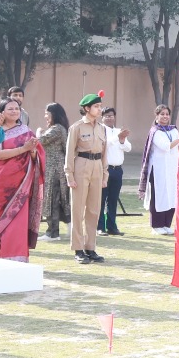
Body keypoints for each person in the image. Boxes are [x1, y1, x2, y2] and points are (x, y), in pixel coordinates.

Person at [0, 96, 43, 262]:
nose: (14, 111)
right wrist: (23, 149)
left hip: (21, 184)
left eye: (17, 108)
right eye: (10, 108)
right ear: (1, 112)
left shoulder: (26, 130)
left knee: (17, 221)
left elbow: (36, 156)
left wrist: (32, 150)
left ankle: (17, 258)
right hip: (0, 182)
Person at [70, 93, 110, 261]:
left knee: (94, 210)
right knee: (78, 209)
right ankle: (78, 249)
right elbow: (69, 153)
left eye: (100, 106)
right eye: (96, 107)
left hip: (97, 167)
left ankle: (90, 248)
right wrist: (69, 175)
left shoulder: (102, 128)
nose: (99, 109)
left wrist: (105, 174)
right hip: (81, 165)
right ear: (87, 108)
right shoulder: (77, 127)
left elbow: (104, 153)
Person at [137, 102, 178, 237]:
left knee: (171, 197)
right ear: (156, 116)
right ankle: (156, 226)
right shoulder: (156, 132)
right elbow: (166, 146)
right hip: (158, 171)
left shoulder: (174, 130)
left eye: (167, 114)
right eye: (162, 114)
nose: (165, 116)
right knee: (158, 197)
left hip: (172, 170)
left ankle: (166, 224)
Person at [38, 103, 70, 241]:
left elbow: (40, 141)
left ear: (54, 114)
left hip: (55, 169)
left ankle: (53, 232)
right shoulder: (58, 128)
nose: (45, 116)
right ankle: (60, 228)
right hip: (54, 168)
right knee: (56, 199)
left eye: (47, 113)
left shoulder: (57, 129)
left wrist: (38, 131)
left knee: (52, 199)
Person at [99, 107, 128, 236]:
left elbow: (128, 147)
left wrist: (122, 140)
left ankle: (112, 226)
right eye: (107, 116)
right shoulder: (100, 130)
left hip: (117, 170)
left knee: (113, 199)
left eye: (111, 116)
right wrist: (118, 138)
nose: (110, 118)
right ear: (102, 117)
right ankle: (100, 227)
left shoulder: (118, 131)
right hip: (105, 169)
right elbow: (104, 145)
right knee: (101, 199)